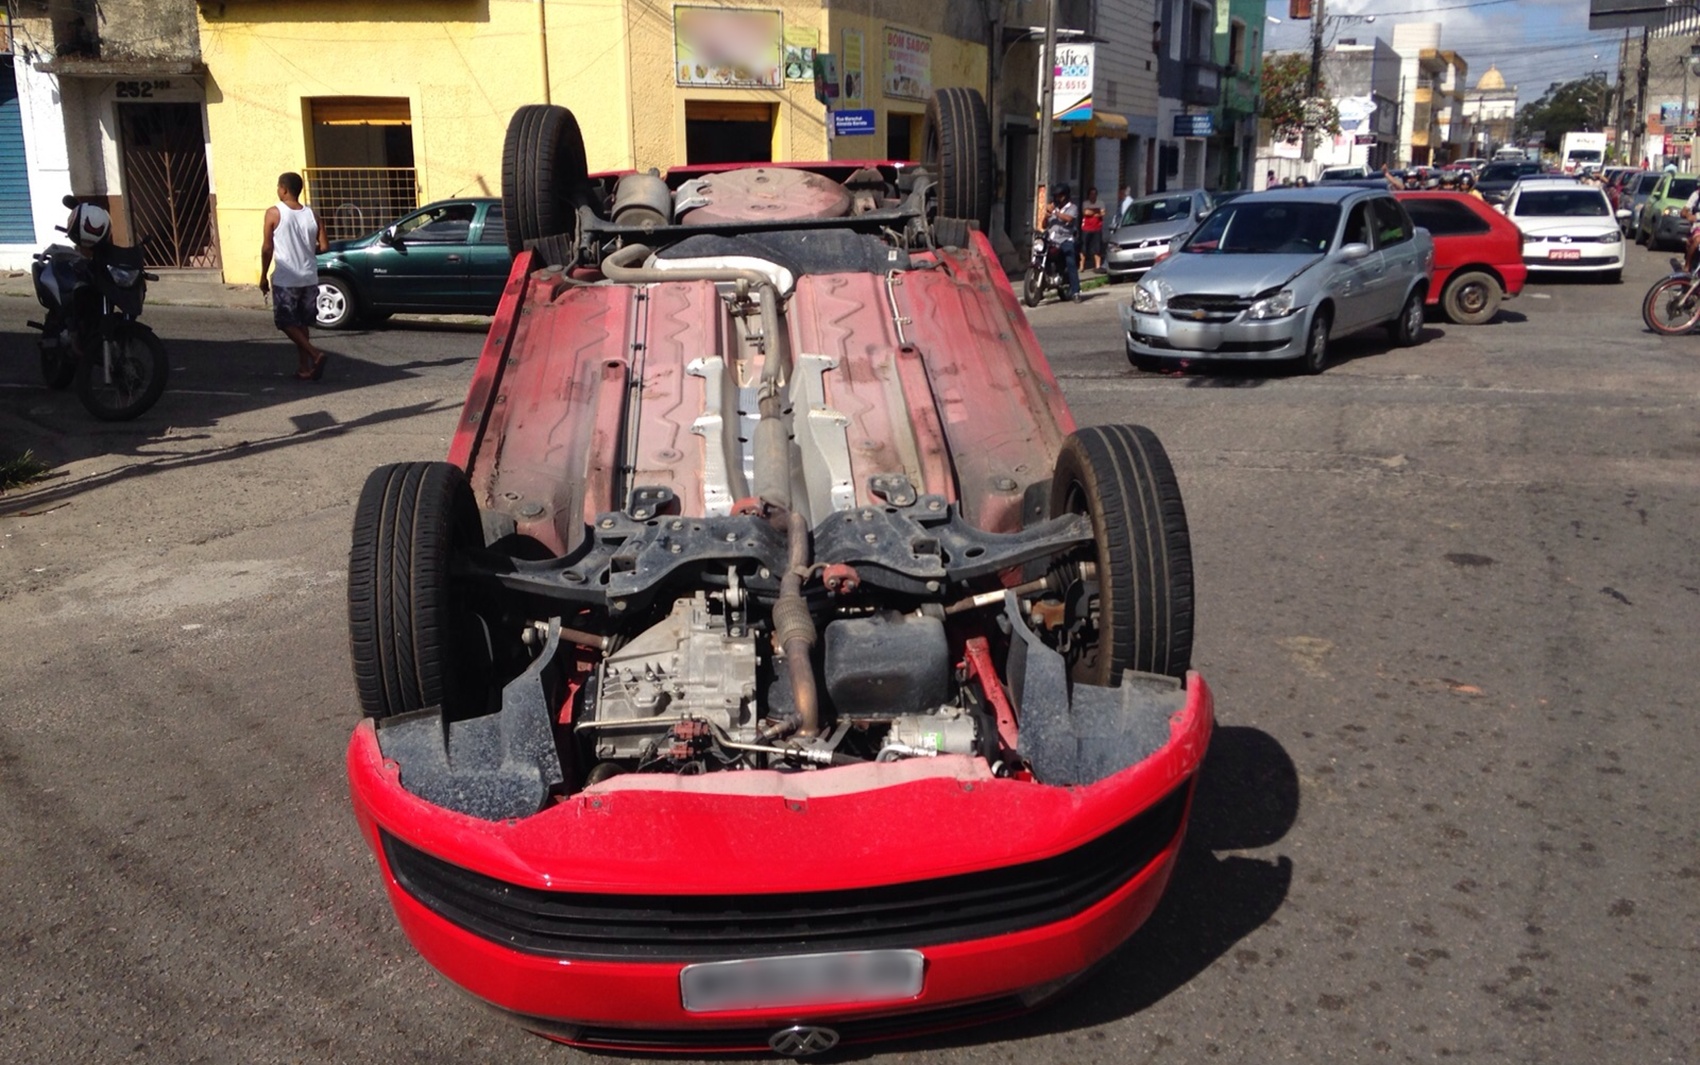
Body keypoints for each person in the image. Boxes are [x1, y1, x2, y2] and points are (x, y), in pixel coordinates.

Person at [259, 171, 330, 381]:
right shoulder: (313, 215)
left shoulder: (274, 213)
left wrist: (263, 275)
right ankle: (304, 367)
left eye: (278, 187)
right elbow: (325, 246)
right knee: (301, 323)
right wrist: (306, 251)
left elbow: (267, 247)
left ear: (284, 189)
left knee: (285, 322)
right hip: (309, 276)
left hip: (286, 277)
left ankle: (314, 354)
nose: (277, 190)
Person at [1043, 183, 1081, 302]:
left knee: (1070, 261)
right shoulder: (1053, 208)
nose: (1057, 198)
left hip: (1065, 239)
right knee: (1041, 256)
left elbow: (1069, 219)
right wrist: (1046, 216)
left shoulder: (1072, 208)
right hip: (1051, 240)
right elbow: (1044, 225)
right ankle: (1041, 286)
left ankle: (1075, 291)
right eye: (1056, 196)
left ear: (1066, 196)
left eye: (1060, 196)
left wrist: (1055, 212)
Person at [1079, 186, 1105, 272]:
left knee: (1097, 248)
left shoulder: (1100, 203)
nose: (1093, 196)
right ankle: (1082, 266)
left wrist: (1093, 213)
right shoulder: (1085, 203)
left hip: (1097, 228)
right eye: (1091, 194)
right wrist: (1096, 212)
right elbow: (1085, 212)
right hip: (1086, 228)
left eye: (1094, 194)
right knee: (1084, 247)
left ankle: (1097, 266)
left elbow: (1102, 213)